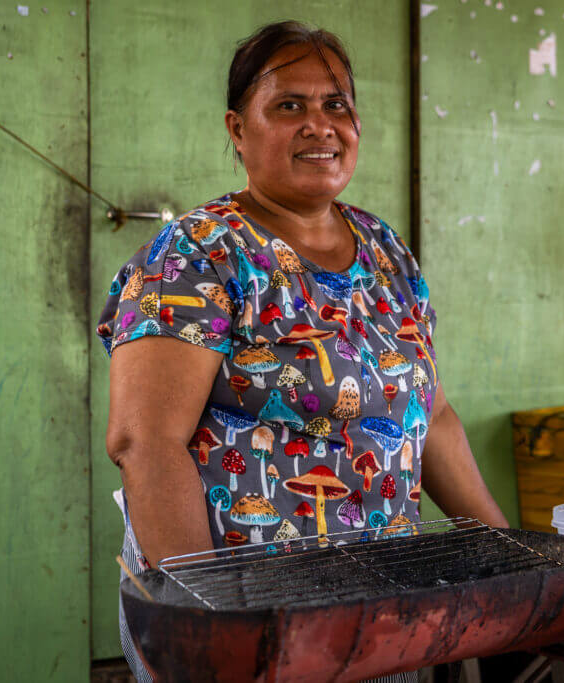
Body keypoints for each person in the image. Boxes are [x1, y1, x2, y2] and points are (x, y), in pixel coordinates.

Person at [97, 21, 508, 681]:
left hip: (381, 614)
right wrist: (215, 625)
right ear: (238, 130)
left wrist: (512, 559)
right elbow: (145, 441)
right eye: (289, 105)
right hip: (251, 626)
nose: (319, 125)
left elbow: (429, 416)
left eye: (335, 105)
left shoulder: (385, 250)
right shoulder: (200, 252)